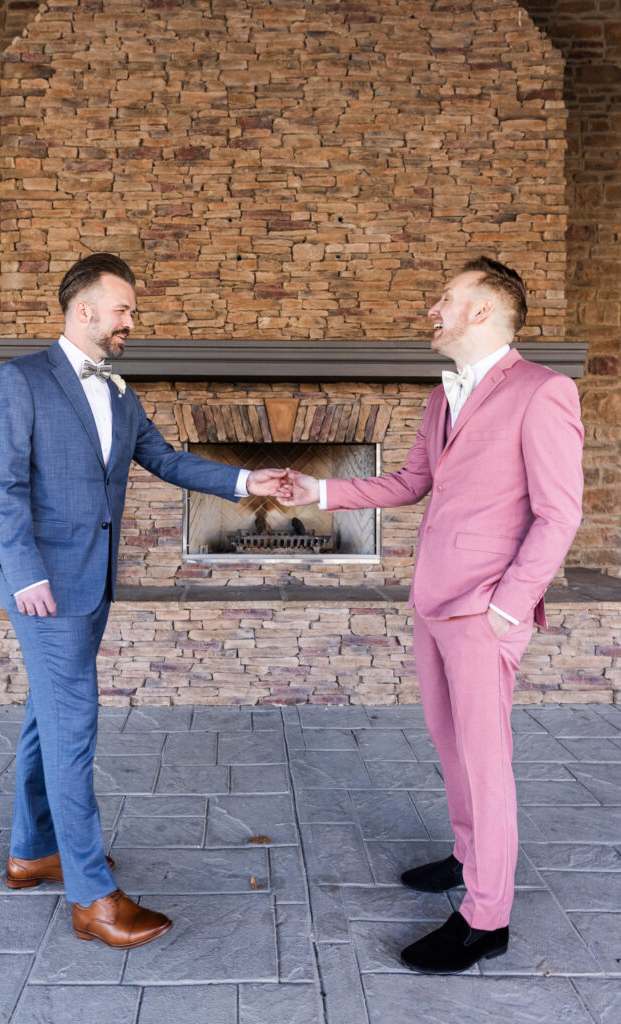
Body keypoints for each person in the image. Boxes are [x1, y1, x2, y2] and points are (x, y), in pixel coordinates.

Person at [280, 257, 584, 974]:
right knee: (450, 746)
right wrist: (317, 492)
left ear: (482, 310)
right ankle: (466, 856)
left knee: (485, 762)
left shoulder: (544, 392)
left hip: (482, 610)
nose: (431, 310)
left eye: (444, 299)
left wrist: (507, 608)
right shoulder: (440, 396)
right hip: (432, 600)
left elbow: (558, 513)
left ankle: (486, 918)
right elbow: (412, 481)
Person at [0, 253, 290, 949]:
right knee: (74, 724)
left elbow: (167, 459)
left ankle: (33, 851)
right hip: (45, 588)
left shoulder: (119, 391)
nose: (130, 322)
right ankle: (92, 896)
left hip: (93, 581)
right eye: (122, 309)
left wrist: (247, 480)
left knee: (47, 716)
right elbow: (0, 484)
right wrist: (25, 571)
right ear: (84, 309)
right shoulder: (21, 379)